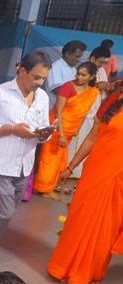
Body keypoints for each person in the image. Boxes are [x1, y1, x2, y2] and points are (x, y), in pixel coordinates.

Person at [0, 52, 52, 266]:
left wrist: (45, 134)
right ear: (22, 71)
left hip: (25, 164)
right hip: (1, 162)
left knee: (4, 210)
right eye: (36, 77)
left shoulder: (42, 97)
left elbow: (43, 124)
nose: (39, 82)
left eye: (43, 78)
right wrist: (12, 129)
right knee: (6, 213)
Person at [47, 96, 123, 284]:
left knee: (105, 226)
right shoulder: (115, 105)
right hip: (93, 173)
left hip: (116, 178)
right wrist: (71, 167)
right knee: (79, 219)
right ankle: (63, 267)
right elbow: (91, 138)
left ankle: (88, 271)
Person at [33, 62, 98, 200]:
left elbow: (82, 114)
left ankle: (49, 185)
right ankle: (44, 188)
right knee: (49, 158)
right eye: (78, 74)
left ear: (92, 76)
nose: (79, 77)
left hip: (69, 130)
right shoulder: (68, 86)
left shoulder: (92, 92)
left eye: (83, 75)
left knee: (57, 159)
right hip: (57, 128)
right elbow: (58, 111)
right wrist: (61, 133)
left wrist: (75, 131)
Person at [70, 47, 114, 178]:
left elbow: (105, 86)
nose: (102, 65)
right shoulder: (85, 70)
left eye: (105, 63)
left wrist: (108, 87)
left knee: (87, 139)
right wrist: (99, 86)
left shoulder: (101, 71)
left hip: (95, 109)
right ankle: (69, 168)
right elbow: (81, 86)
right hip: (83, 110)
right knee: (77, 140)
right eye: (101, 62)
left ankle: (78, 171)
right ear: (93, 58)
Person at [44, 40, 87, 107]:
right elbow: (57, 90)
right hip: (56, 111)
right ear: (67, 54)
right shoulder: (55, 67)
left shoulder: (73, 68)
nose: (79, 60)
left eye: (80, 57)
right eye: (77, 56)